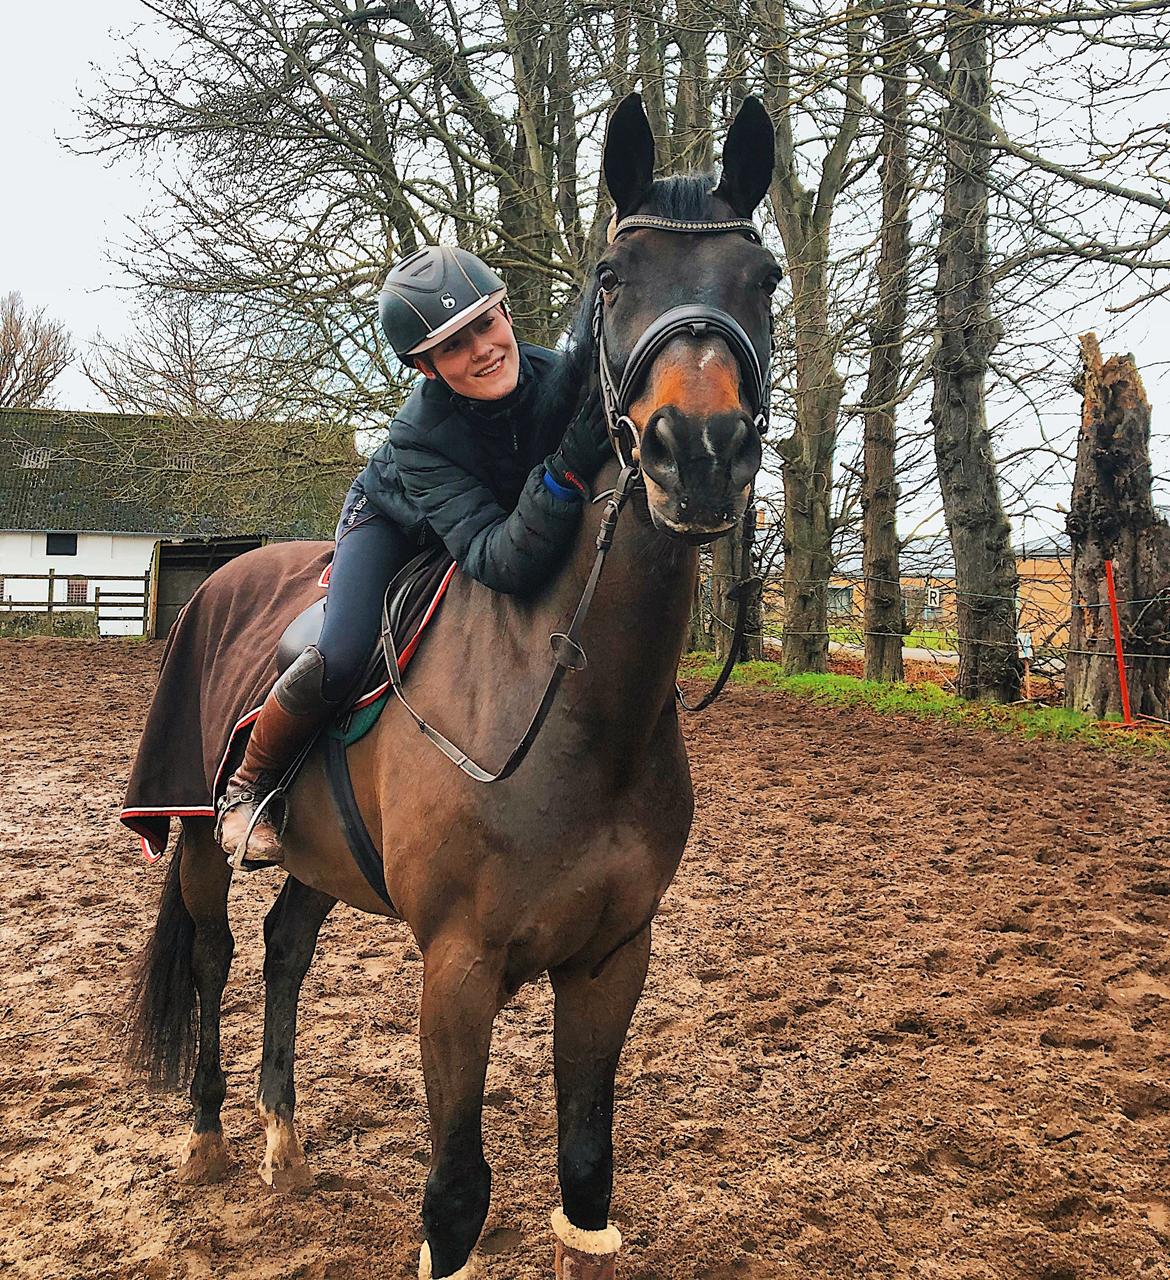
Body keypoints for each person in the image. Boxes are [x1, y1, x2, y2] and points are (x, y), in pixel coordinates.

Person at [216, 245, 610, 865]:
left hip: (503, 515)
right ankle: (250, 784)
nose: (482, 349)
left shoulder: (561, 380)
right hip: (395, 520)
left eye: (486, 323)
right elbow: (497, 560)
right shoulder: (416, 434)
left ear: (507, 313)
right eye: (453, 346)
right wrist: (564, 471)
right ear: (426, 368)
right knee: (342, 651)